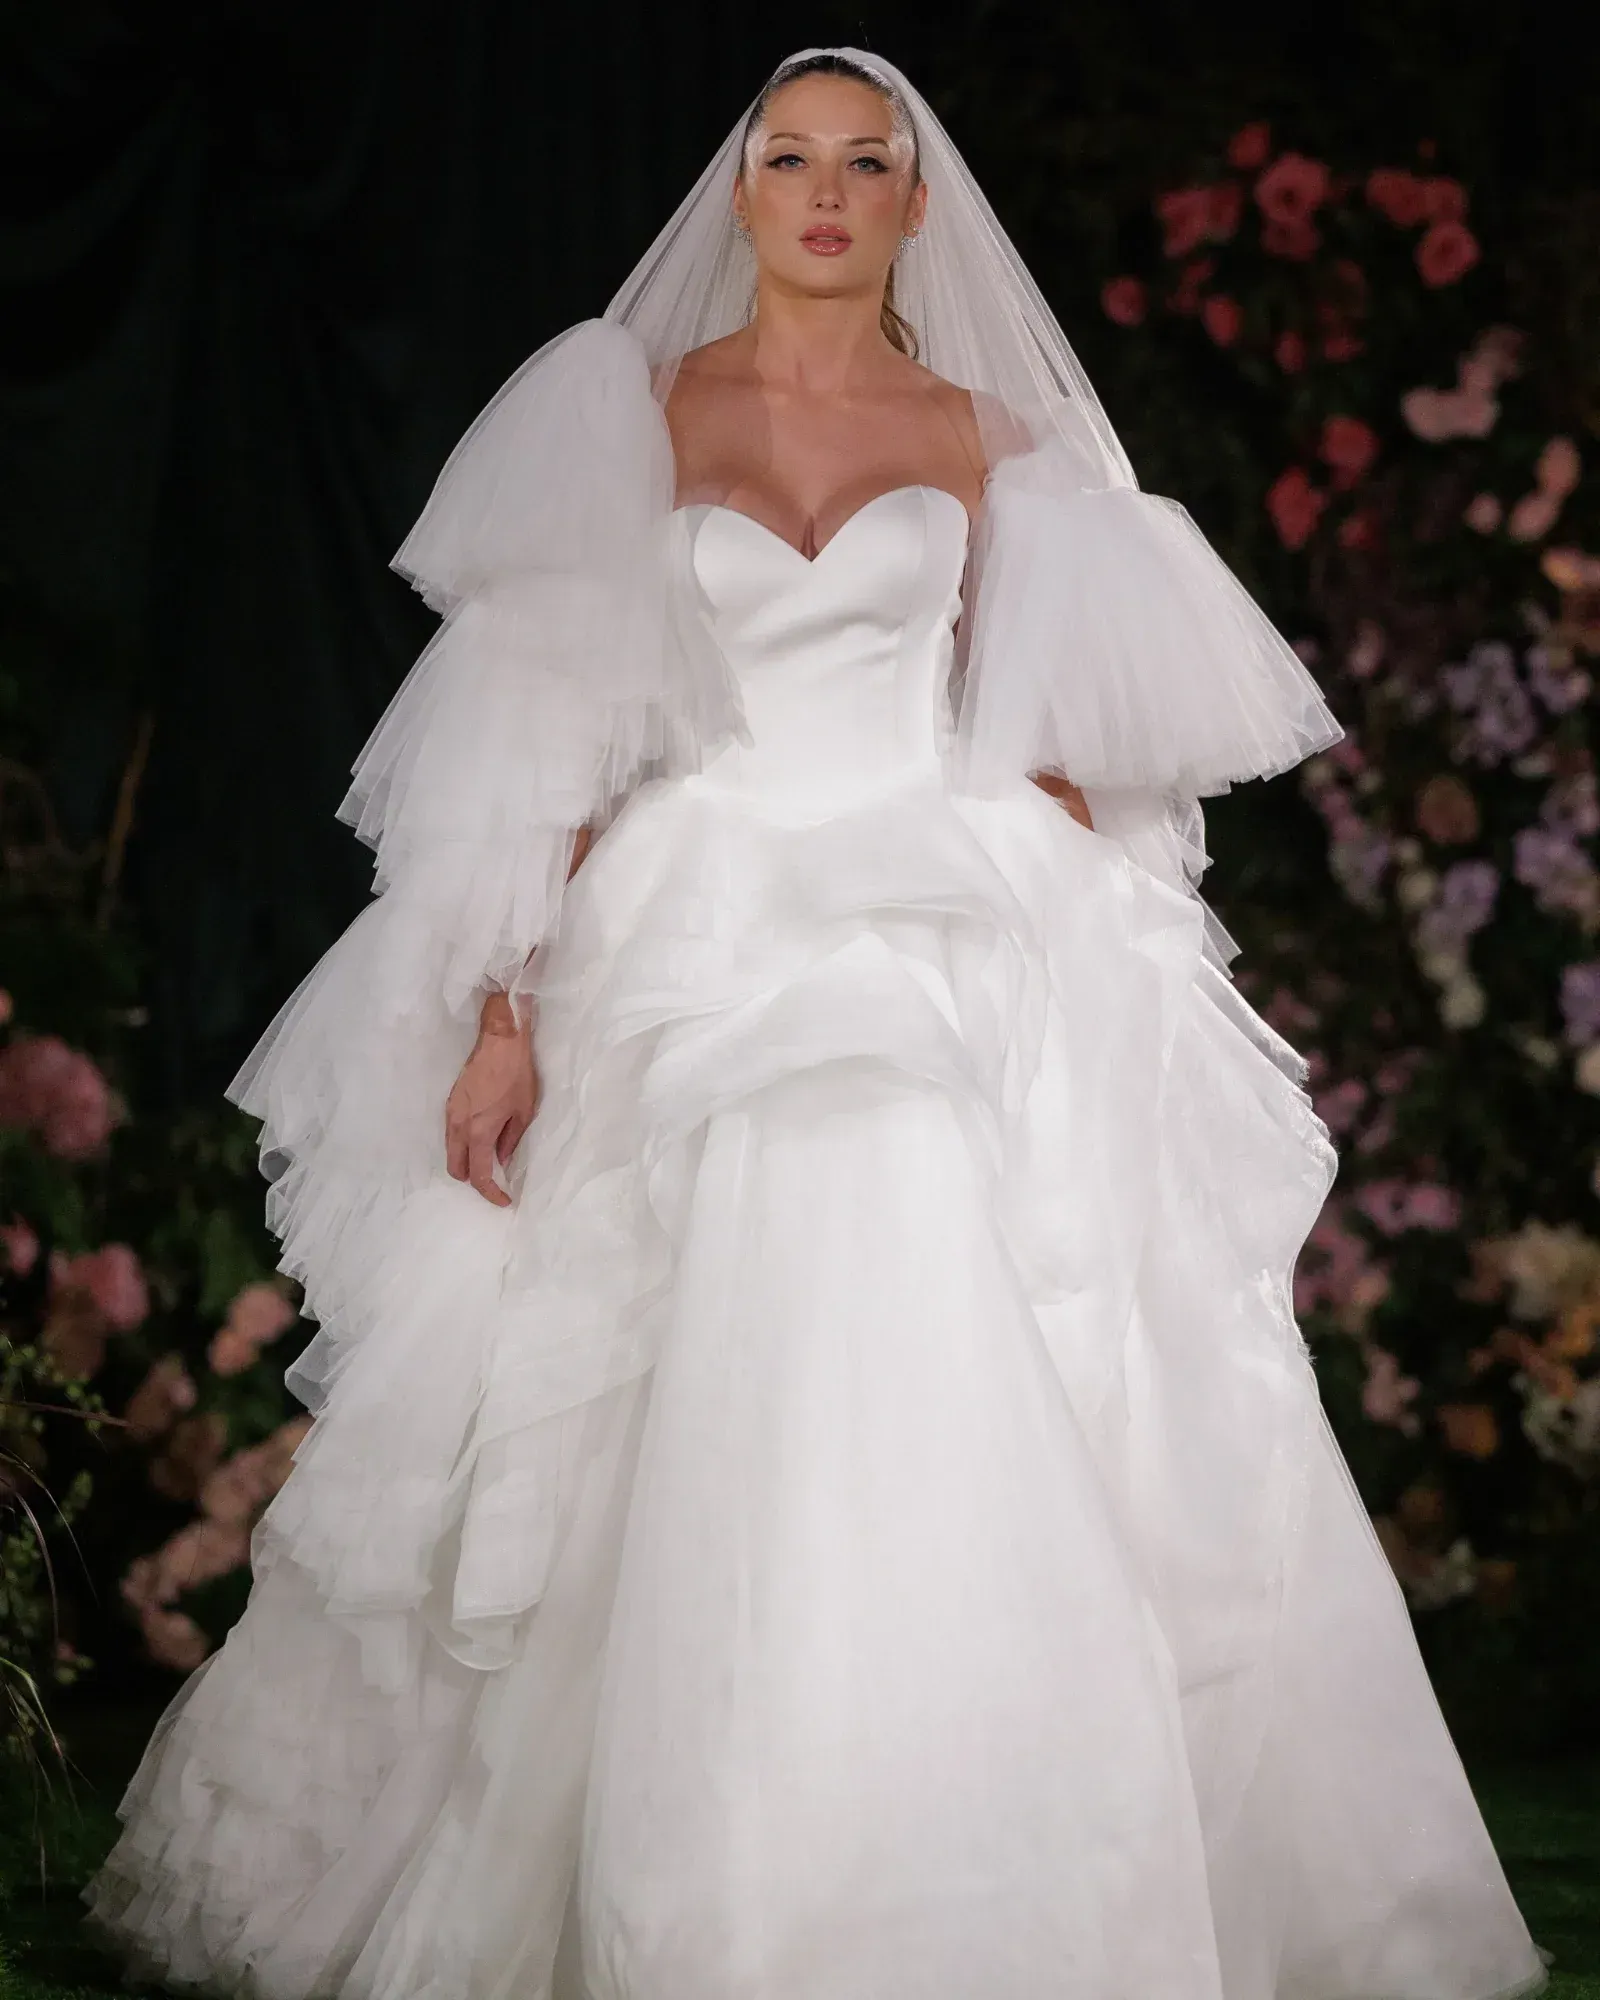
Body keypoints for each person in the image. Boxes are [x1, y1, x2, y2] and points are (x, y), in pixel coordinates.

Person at [84, 45, 1553, 2000]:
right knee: (658, 1335)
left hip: (923, 904)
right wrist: (507, 1009)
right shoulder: (632, 412)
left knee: (944, 1280)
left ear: (916, 203)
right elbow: (553, 724)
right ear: (746, 191)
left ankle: (959, 1860)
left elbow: (1071, 714)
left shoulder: (989, 434)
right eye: (792, 159)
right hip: (693, 912)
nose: (829, 193)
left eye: (866, 162)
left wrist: (1080, 891)